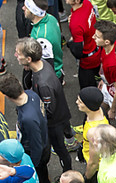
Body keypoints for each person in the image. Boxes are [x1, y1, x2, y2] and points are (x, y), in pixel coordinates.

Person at [0, 74, 55, 183]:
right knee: (43, 176)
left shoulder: (28, 118)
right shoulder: (31, 94)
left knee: (44, 182)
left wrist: (32, 166)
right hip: (43, 143)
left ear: (7, 96)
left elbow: (36, 145)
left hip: (37, 152)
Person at [14, 37, 73, 175]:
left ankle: (68, 174)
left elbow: (48, 110)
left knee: (60, 150)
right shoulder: (43, 64)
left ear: (29, 59)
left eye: (19, 53)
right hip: (60, 114)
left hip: (54, 123)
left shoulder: (44, 83)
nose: (16, 55)